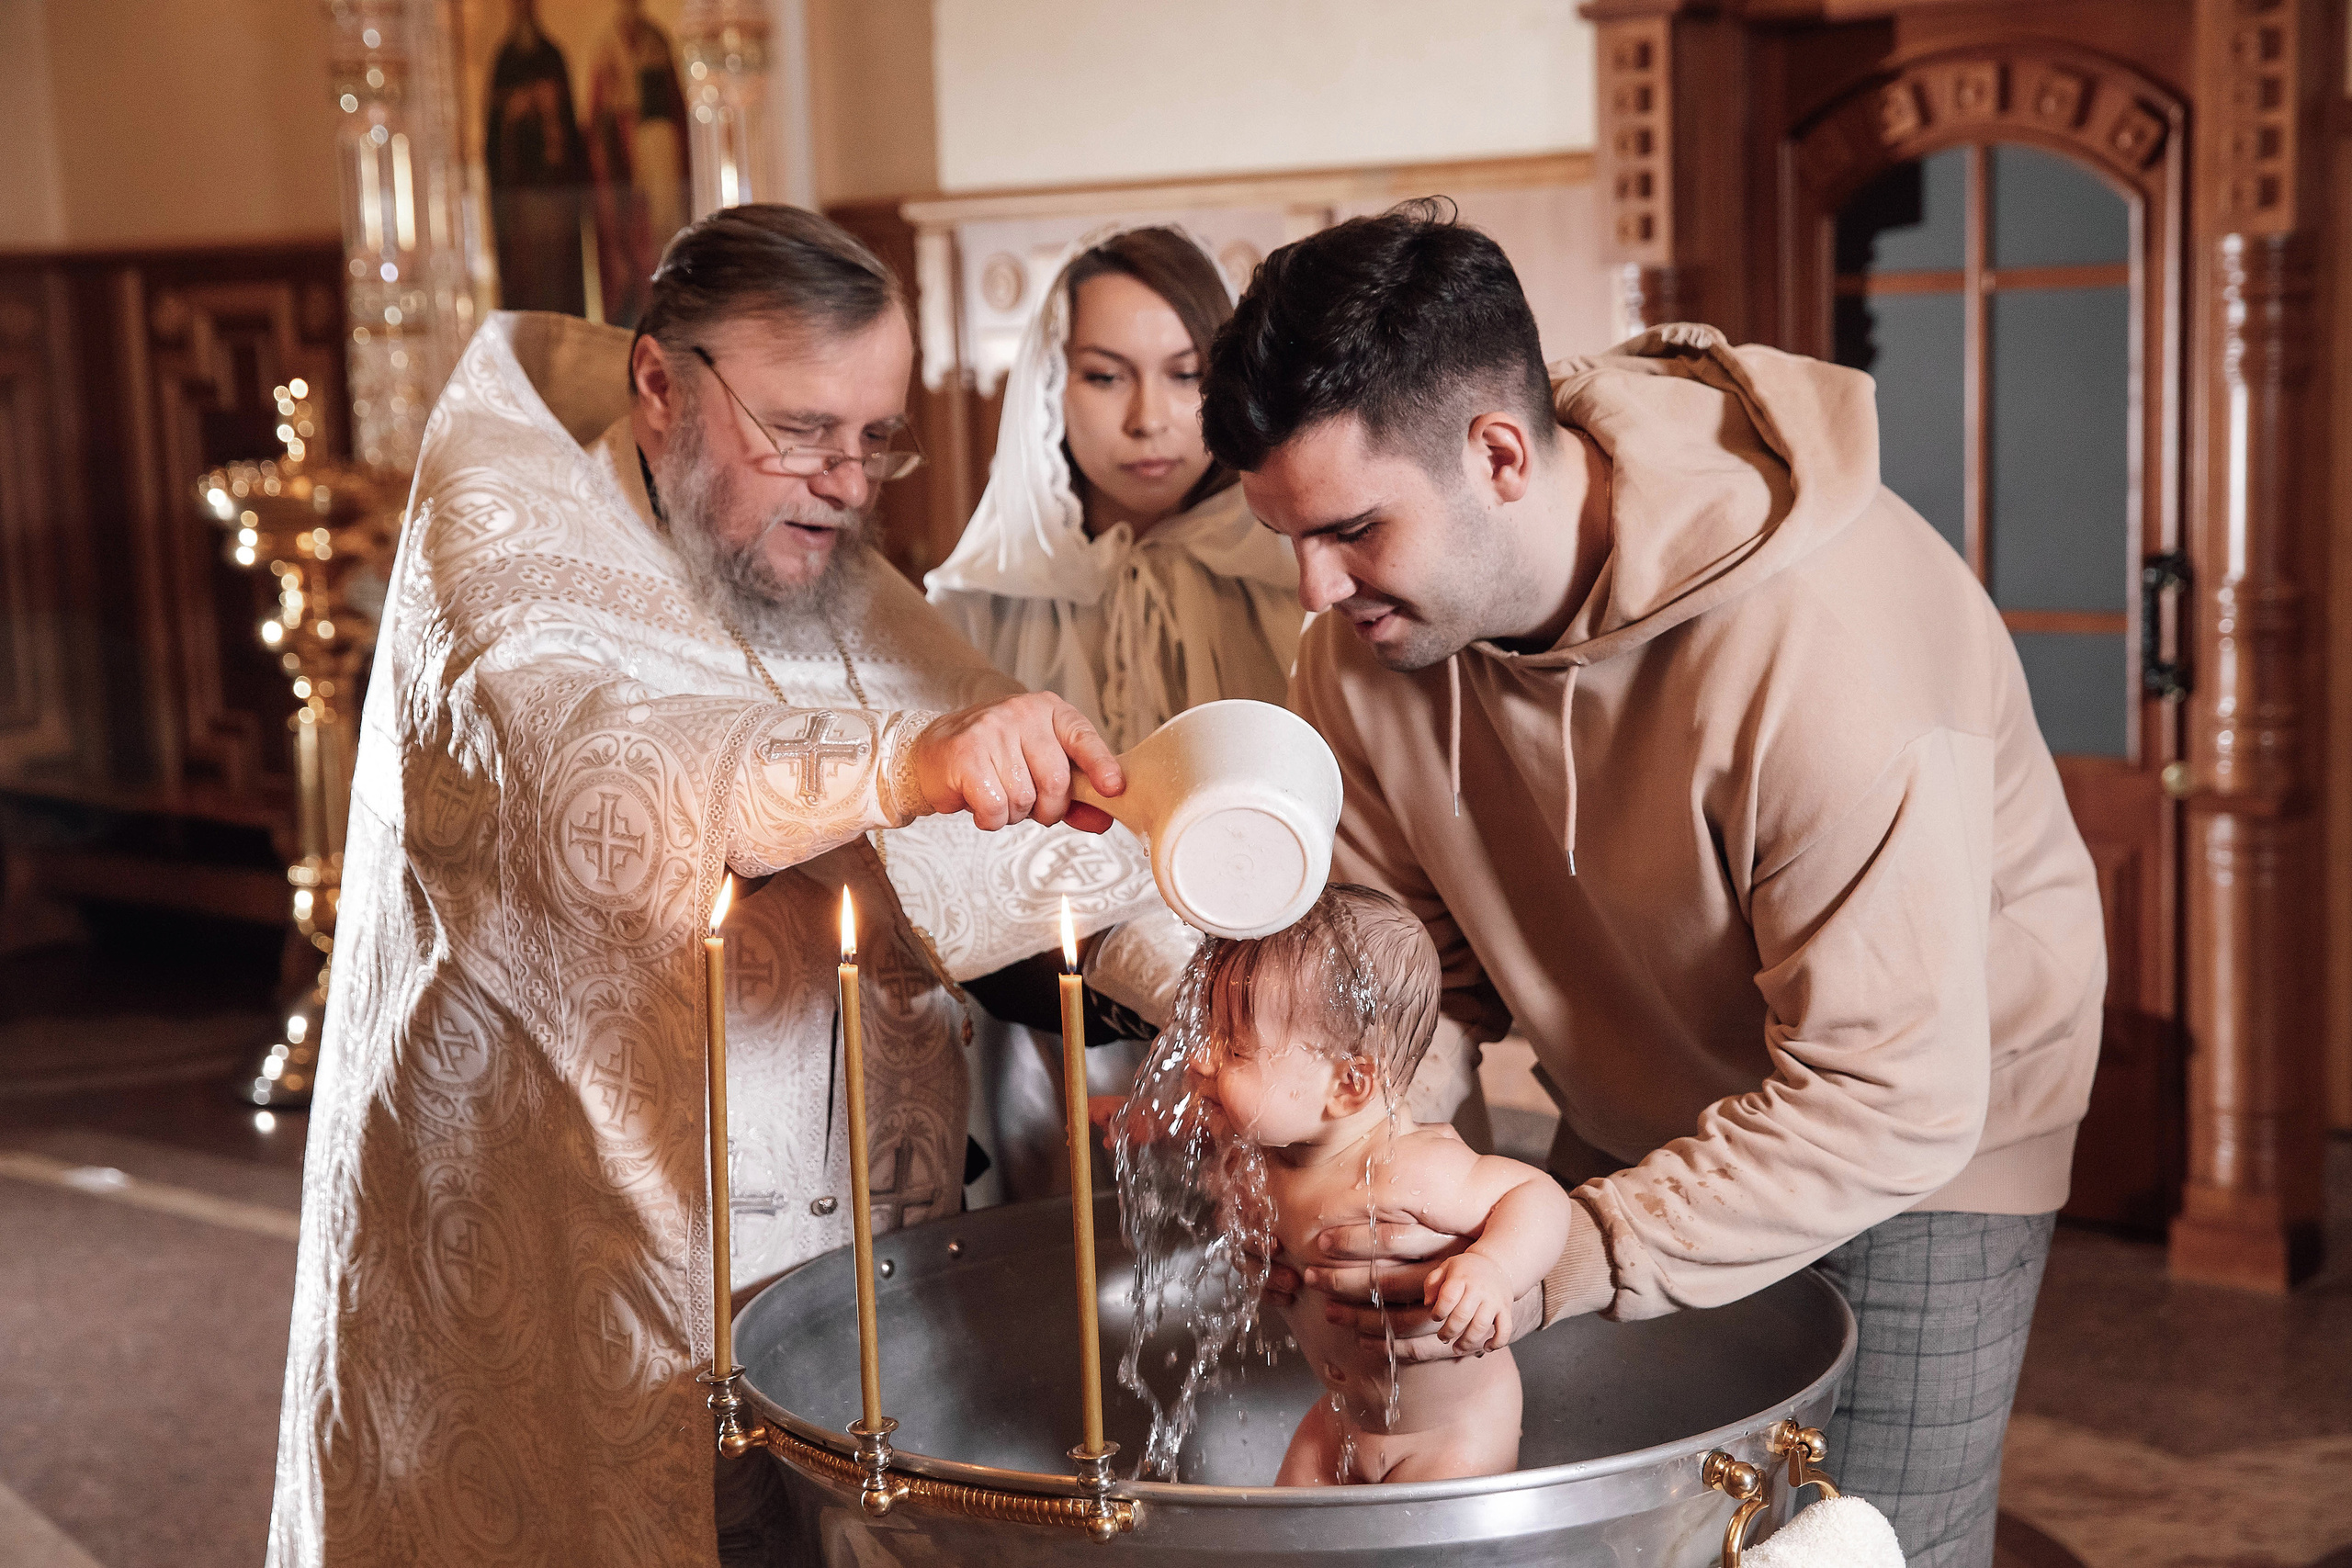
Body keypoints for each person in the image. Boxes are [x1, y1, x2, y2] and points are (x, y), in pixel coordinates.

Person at [1194, 203, 2104, 1567]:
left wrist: (1565, 1249)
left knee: (1867, 1543)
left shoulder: (1827, 648)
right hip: (1628, 1099)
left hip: (1928, 1137)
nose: (1316, 590)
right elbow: (1398, 986)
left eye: (1354, 530)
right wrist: (1350, 1175)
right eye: (1290, 538)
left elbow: (1887, 1092)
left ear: (1498, 453)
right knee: (1613, 1537)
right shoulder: (1369, 647)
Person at [267, 206, 1164, 1568]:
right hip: (588, 1265)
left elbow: (1006, 801)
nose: (848, 483)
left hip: (837, 1258)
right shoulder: (502, 544)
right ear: (658, 383)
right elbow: (596, 779)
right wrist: (915, 759)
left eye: (876, 437)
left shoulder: (831, 570)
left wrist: (1200, 958)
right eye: (802, 429)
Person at [923, 228, 1313, 1197]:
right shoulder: (967, 607)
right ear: (1048, 386)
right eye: (1105, 376)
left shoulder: (1306, 584)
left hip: (1285, 1036)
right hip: (1046, 1044)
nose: (1151, 419)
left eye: (1186, 375)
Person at [1176, 884, 1571, 1485]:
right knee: (1282, 1546)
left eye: (1233, 1047)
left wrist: (1494, 1266)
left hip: (1451, 1436)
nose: (1202, 1058)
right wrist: (1156, 1123)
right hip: (1340, 1421)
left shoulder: (1411, 1168)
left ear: (1350, 1085)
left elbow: (1539, 1196)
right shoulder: (1266, 1153)